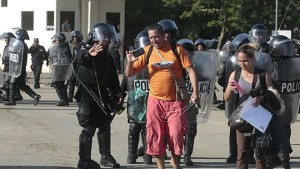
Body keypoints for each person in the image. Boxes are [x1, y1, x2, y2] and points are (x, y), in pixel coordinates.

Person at [125, 23, 199, 169]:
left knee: (177, 133)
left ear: (163, 35)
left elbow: (190, 71)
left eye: (156, 37)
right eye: (151, 38)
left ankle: (175, 160)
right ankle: (161, 167)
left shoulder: (177, 49)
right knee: (155, 134)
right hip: (155, 101)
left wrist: (195, 92)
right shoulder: (147, 51)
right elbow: (129, 73)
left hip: (176, 101)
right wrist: (130, 63)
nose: (153, 40)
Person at [75, 23, 123, 169]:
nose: (107, 39)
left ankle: (105, 156)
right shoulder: (84, 48)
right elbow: (80, 57)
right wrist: (89, 53)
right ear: (95, 35)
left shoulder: (107, 54)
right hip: (87, 93)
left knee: (104, 125)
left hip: (102, 94)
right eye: (104, 35)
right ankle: (84, 160)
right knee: (89, 126)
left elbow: (112, 78)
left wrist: (118, 91)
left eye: (109, 36)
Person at [224, 44, 276, 168]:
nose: (242, 64)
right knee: (241, 153)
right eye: (239, 61)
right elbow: (226, 98)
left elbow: (273, 95)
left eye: (245, 60)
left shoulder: (263, 75)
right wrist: (230, 90)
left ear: (253, 59)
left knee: (260, 153)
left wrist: (261, 97)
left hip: (260, 119)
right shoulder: (235, 74)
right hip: (242, 119)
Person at [124, 30, 153, 165]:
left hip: (151, 99)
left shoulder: (155, 57)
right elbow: (126, 77)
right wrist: (120, 93)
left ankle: (148, 156)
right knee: (134, 127)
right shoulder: (131, 58)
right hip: (134, 98)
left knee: (148, 128)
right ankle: (131, 155)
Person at [5, 29, 41, 106]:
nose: (16, 36)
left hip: (18, 68)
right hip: (20, 68)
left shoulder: (22, 45)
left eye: (18, 35)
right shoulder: (19, 44)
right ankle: (35, 96)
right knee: (22, 85)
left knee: (12, 83)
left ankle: (12, 100)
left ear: (21, 36)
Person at [48, 32, 71, 106]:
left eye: (56, 40)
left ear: (61, 40)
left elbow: (68, 58)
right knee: (57, 83)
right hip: (57, 67)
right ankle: (64, 99)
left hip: (62, 67)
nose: (54, 41)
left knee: (58, 83)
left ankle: (64, 99)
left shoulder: (64, 47)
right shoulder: (55, 47)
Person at [68, 30, 85, 102]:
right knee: (71, 81)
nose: (74, 39)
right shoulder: (71, 45)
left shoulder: (82, 45)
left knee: (79, 82)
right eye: (73, 37)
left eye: (76, 38)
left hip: (79, 66)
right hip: (73, 66)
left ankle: (79, 97)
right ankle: (70, 98)